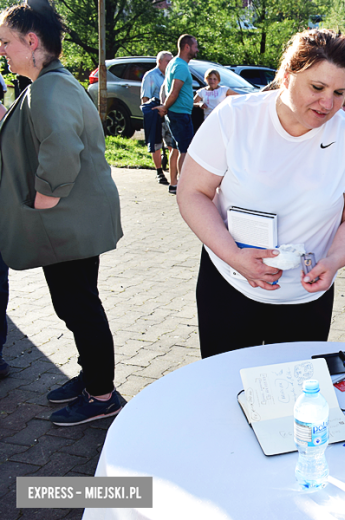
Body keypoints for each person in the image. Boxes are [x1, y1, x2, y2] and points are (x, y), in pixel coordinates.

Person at [177, 29, 345, 359]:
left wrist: (334, 260)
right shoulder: (235, 118)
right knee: (227, 390)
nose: (328, 104)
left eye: (340, 92)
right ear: (285, 77)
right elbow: (191, 192)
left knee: (295, 394)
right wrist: (234, 256)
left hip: (306, 299)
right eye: (317, 87)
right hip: (229, 284)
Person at [0, 1, 126, 425]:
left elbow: (61, 152)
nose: (2, 51)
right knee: (74, 305)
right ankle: (93, 376)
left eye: (6, 42)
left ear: (32, 41)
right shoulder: (49, 82)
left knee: (79, 306)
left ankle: (102, 395)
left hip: (65, 223)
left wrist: (41, 204)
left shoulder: (50, 87)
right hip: (71, 223)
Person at [154, 34, 198, 195]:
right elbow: (174, 90)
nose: (197, 49)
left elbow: (164, 87)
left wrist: (165, 106)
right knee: (185, 150)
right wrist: (165, 106)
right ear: (187, 47)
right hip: (180, 114)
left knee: (177, 149)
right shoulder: (181, 66)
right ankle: (183, 186)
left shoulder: (173, 63)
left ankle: (174, 184)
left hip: (175, 113)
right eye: (195, 46)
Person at [141, 50, 173, 185]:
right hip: (156, 114)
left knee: (173, 144)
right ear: (159, 61)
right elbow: (145, 98)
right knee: (156, 144)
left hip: (170, 113)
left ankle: (174, 174)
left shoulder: (171, 75)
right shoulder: (151, 76)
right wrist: (151, 113)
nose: (170, 63)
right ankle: (159, 172)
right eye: (167, 61)